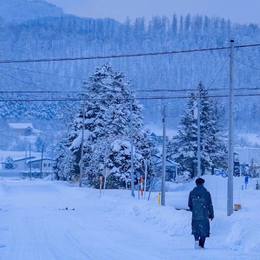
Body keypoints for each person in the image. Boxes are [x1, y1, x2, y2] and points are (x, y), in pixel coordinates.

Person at [188, 177, 214, 249]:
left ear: (196, 183)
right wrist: (211, 214)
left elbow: (189, 204)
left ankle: (196, 241)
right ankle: (201, 244)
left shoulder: (192, 193)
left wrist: (194, 210)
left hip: (195, 215)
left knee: (196, 229)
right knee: (204, 229)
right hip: (204, 215)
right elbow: (210, 204)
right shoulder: (206, 193)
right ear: (203, 183)